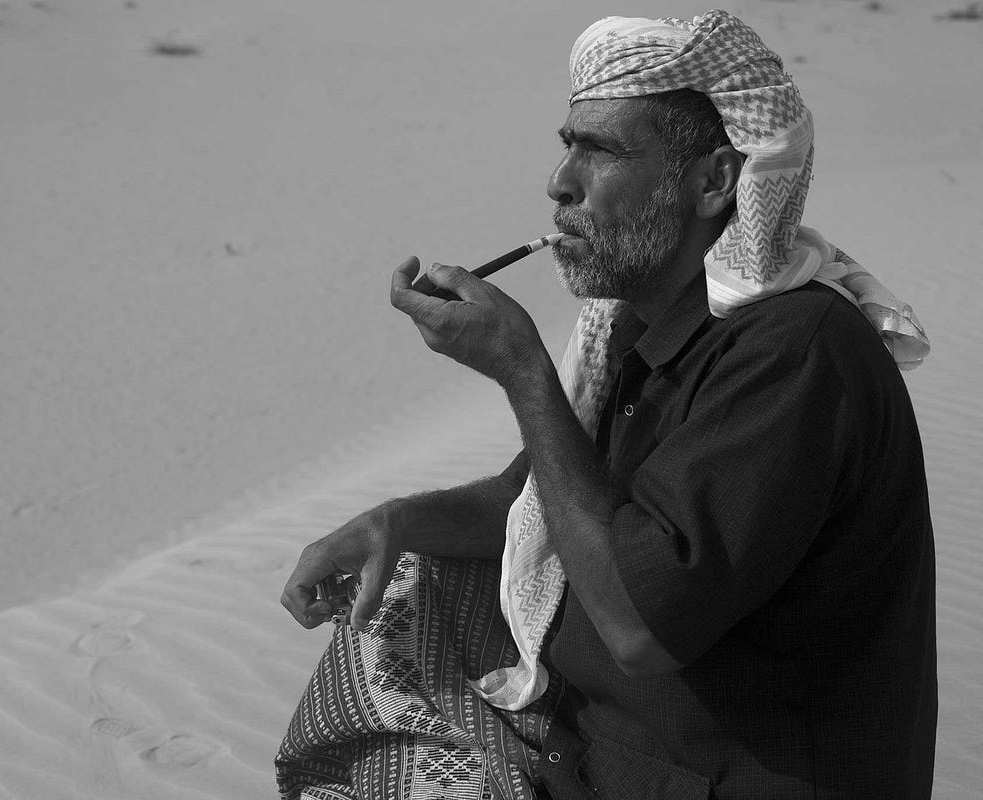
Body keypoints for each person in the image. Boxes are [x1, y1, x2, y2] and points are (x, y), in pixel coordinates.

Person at [279, 10, 936, 799]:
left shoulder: (794, 351)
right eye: (567, 145)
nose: (560, 183)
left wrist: (523, 370)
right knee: (410, 592)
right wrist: (392, 520)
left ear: (712, 181)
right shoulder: (639, 328)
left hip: (724, 781)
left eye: (601, 151)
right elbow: (541, 503)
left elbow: (640, 627)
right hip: (603, 763)